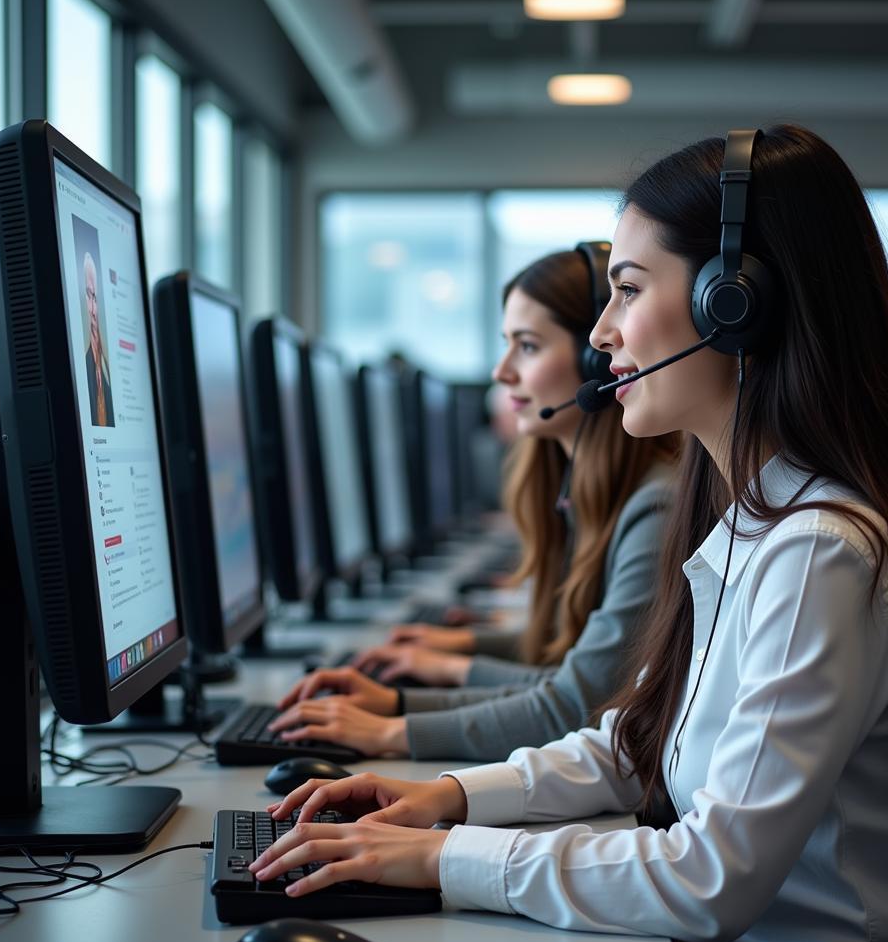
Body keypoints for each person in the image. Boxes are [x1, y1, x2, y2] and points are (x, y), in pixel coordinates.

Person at [248, 126, 888, 942]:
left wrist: (450, 860)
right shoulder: (754, 519)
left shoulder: (820, 552)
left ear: (737, 306)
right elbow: (634, 741)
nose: (603, 336)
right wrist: (447, 800)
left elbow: (711, 878)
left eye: (629, 291)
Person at [267, 247, 680, 761]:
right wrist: (407, 695)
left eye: (526, 347)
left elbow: (575, 704)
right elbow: (564, 662)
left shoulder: (656, 507)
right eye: (506, 345)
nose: (501, 371)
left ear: (594, 361)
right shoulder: (589, 490)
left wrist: (394, 727)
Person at [82, 251, 115, 428]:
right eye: (88, 295)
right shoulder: (82, 368)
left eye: (95, 297)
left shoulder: (109, 370)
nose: (93, 309)